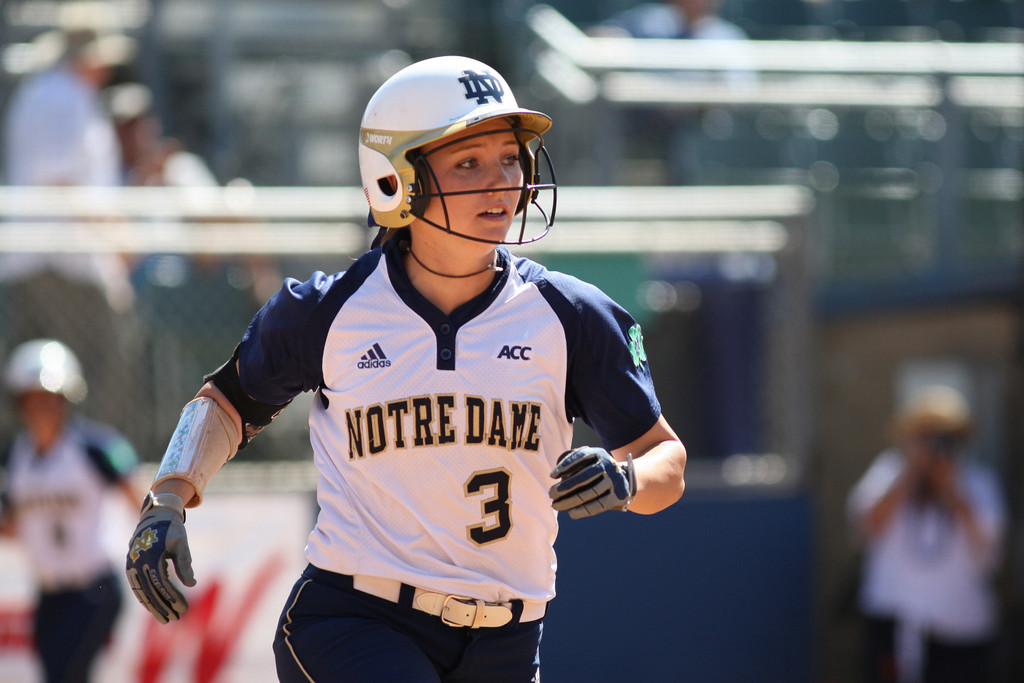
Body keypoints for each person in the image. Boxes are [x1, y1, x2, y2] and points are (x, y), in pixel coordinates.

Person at [124, 55, 687, 682]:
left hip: (509, 638)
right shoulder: (328, 310)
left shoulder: (572, 316)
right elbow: (225, 402)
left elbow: (666, 460)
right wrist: (165, 501)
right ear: (397, 180)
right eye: (468, 162)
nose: (502, 180)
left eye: (509, 156)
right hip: (356, 620)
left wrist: (629, 479)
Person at [0, 19, 140, 435]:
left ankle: (54, 464)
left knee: (37, 371)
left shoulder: (44, 93)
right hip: (66, 261)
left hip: (44, 258)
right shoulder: (64, 97)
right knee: (99, 370)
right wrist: (116, 235)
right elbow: (61, 179)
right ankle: (89, 464)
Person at [0, 339, 142, 683]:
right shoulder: (15, 456)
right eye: (32, 399)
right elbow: (10, 525)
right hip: (48, 592)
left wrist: (151, 544)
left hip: (94, 589)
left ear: (66, 400)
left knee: (67, 675)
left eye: (50, 398)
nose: (42, 408)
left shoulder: (95, 447)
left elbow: (137, 495)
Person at [846, 384, 1007, 683]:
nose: (934, 445)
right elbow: (867, 527)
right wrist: (910, 477)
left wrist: (950, 490)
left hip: (960, 630)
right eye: (925, 435)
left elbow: (989, 548)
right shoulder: (887, 474)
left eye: (943, 436)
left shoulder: (979, 482)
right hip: (894, 624)